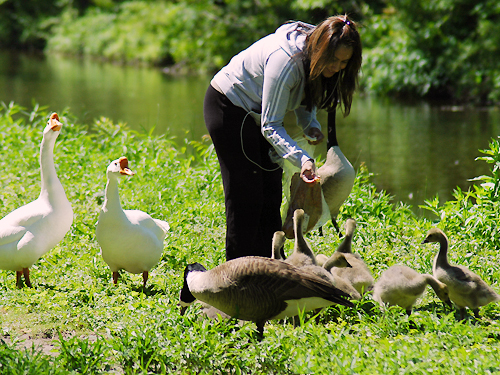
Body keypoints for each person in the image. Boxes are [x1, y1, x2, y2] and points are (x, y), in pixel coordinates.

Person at [203, 15, 362, 261]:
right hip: (229, 106)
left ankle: (269, 268)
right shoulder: (285, 61)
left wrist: (310, 124)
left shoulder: (314, 54)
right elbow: (270, 125)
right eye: (334, 60)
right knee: (247, 195)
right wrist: (304, 159)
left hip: (255, 114)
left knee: (271, 192)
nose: (337, 67)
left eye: (344, 62)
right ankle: (238, 277)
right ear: (321, 49)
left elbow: (302, 93)